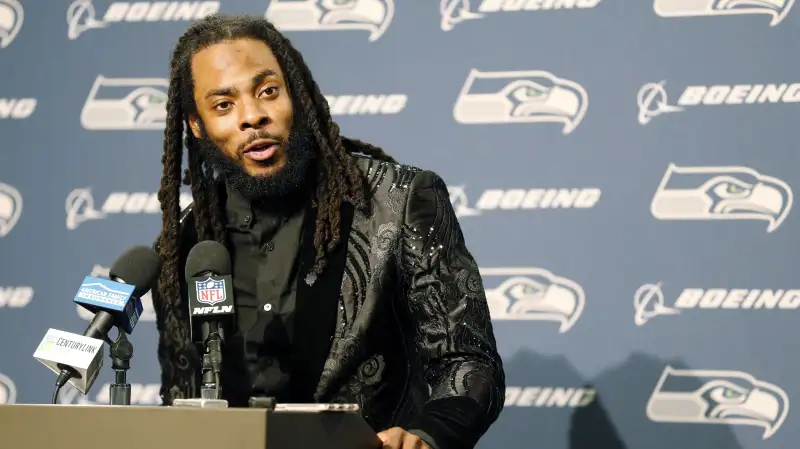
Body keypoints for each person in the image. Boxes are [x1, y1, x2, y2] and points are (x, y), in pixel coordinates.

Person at [150, 14, 505, 449]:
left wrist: (425, 436)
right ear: (197, 125)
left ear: (295, 95)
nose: (253, 116)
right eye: (224, 105)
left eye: (267, 92)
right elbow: (181, 394)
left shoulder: (398, 200)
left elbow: (468, 363)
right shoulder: (185, 247)